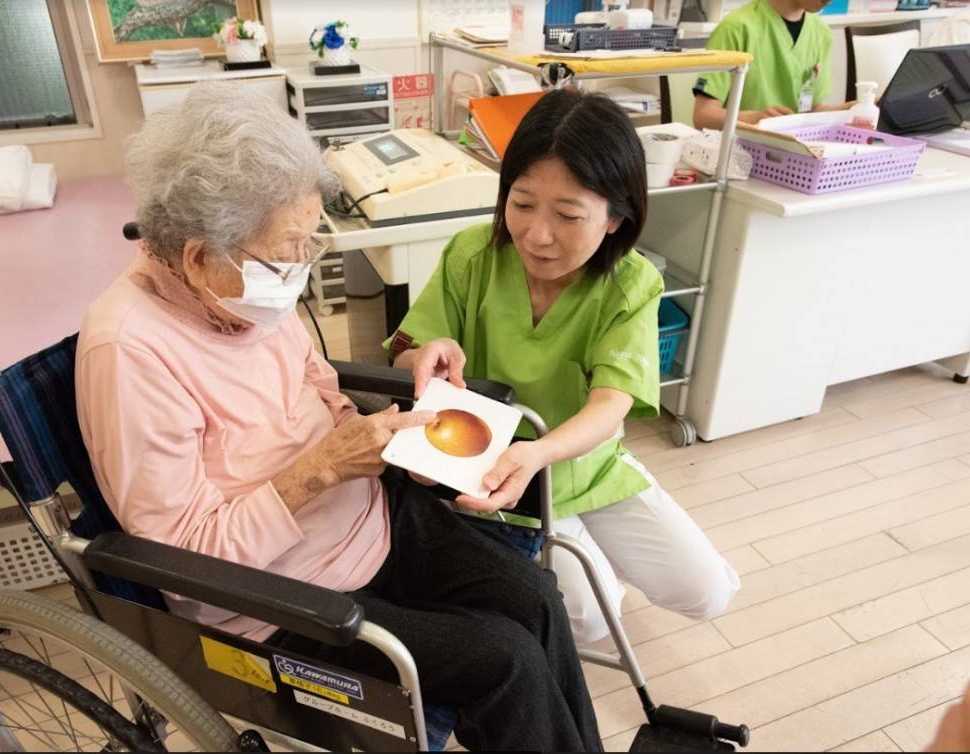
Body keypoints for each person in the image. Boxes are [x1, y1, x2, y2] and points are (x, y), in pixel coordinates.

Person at [74, 82, 602, 753]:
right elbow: (179, 552)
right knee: (507, 660)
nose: (300, 269)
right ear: (199, 257)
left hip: (369, 520)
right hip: (280, 602)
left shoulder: (245, 292)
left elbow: (320, 387)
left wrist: (393, 432)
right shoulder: (130, 352)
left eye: (308, 242)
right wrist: (318, 470)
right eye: (287, 251)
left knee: (537, 597)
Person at [386, 88, 740, 646]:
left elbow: (612, 404)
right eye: (522, 204)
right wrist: (425, 354)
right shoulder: (471, 255)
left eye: (568, 215)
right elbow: (408, 350)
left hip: (583, 465)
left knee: (708, 591)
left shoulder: (631, 285)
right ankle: (589, 570)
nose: (537, 234)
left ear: (615, 220)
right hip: (493, 474)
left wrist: (541, 452)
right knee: (592, 619)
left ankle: (595, 558)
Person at [692, 0, 852, 129]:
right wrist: (755, 118)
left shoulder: (821, 32)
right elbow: (703, 116)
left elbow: (812, 109)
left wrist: (851, 109)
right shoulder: (737, 28)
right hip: (740, 153)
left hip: (795, 155)